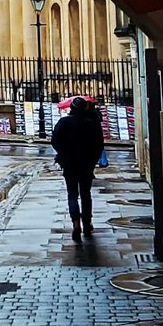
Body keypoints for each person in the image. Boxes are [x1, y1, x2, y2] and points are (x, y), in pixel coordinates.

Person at [51, 95, 105, 240]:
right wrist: (93, 159)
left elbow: (55, 141)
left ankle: (76, 223)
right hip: (86, 164)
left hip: (69, 163)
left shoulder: (64, 122)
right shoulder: (91, 124)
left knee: (72, 194)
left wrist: (63, 153)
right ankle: (87, 223)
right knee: (86, 194)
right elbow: (99, 144)